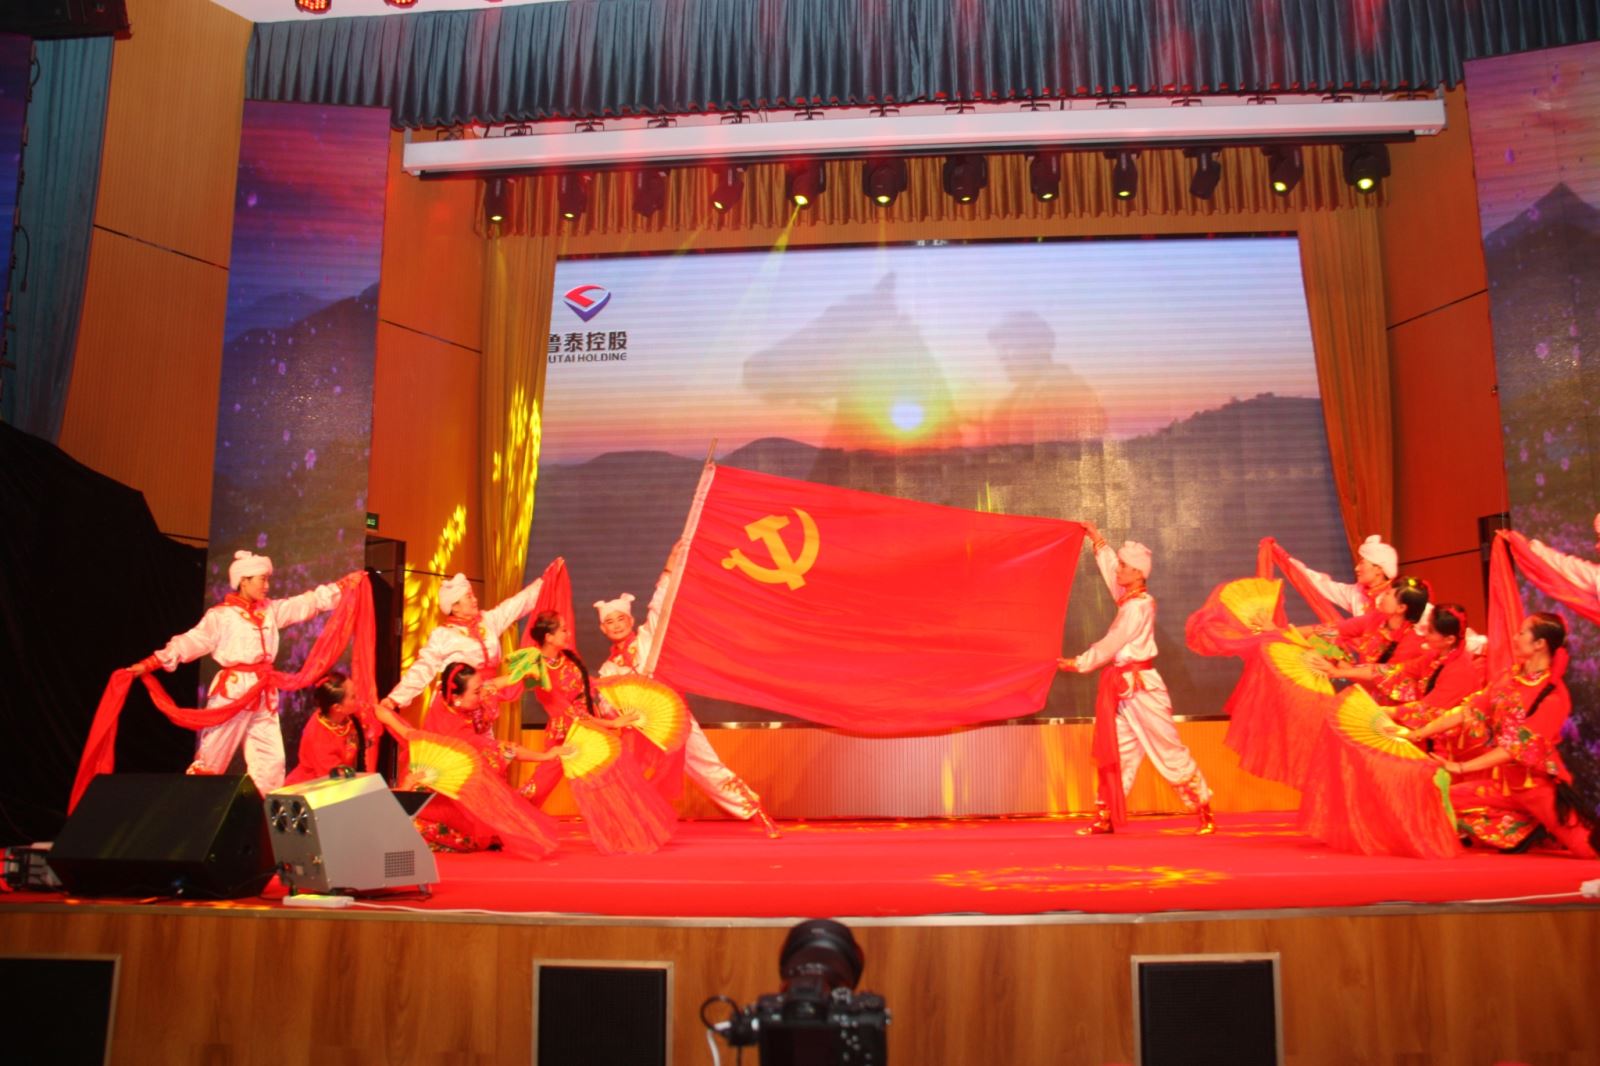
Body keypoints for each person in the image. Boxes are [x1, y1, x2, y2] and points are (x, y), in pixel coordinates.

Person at [593, 540, 781, 837]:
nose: (616, 625)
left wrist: (669, 567)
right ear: (603, 629)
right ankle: (638, 826)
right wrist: (619, 716)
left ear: (631, 620)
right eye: (609, 622)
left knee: (706, 765)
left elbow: (660, 604)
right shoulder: (608, 669)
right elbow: (606, 704)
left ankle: (754, 811)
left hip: (674, 718)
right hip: (641, 730)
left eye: (620, 619)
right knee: (633, 775)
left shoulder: (648, 637)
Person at [127, 550, 356, 793]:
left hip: (264, 692)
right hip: (233, 692)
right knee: (211, 759)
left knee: (271, 764)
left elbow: (305, 603)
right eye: (262, 579)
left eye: (267, 580)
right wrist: (152, 663)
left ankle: (261, 813)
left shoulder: (269, 611)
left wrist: (343, 587)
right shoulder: (221, 616)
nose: (267, 586)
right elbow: (189, 642)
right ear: (243, 581)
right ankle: (195, 807)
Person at [1058, 524, 1214, 835]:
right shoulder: (1129, 598)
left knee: (1168, 749)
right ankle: (1106, 815)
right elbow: (1110, 573)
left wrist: (1079, 662)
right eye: (1120, 564)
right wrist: (1097, 539)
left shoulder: (1138, 606)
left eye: (1124, 566)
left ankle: (1203, 809)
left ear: (1139, 573)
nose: (1118, 569)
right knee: (1119, 751)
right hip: (1125, 690)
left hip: (1143, 689)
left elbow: (1113, 642)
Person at [1406, 612, 1599, 858]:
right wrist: (1418, 733)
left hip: (1535, 788)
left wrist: (1461, 767)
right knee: (1441, 798)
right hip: (1504, 786)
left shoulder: (1553, 696)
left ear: (1540, 644)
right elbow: (1467, 711)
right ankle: (1523, 828)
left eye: (1522, 633)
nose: (1515, 637)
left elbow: (1513, 749)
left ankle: (1537, 825)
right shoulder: (1509, 679)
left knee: (1589, 851)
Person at [517, 611, 678, 854]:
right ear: (548, 637)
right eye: (563, 630)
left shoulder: (567, 659)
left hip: (588, 730)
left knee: (611, 778)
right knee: (540, 784)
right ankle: (511, 822)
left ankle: (629, 830)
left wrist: (627, 688)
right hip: (566, 736)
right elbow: (567, 711)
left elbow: (593, 686)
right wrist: (610, 724)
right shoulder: (535, 666)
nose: (568, 633)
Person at [376, 662, 568, 856]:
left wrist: (521, 676)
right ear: (458, 697)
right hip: (441, 795)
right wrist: (544, 756)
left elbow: (491, 685)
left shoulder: (450, 697)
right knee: (467, 831)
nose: (482, 693)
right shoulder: (455, 732)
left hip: (452, 777)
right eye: (476, 692)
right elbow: (505, 750)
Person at [379, 567, 551, 717]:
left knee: (482, 742)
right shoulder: (443, 635)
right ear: (455, 607)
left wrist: (545, 581)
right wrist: (395, 699)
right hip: (455, 704)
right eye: (469, 597)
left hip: (483, 698)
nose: (475, 600)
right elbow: (422, 668)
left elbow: (516, 605)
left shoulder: (488, 621)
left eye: (473, 595)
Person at [1262, 533, 1397, 618]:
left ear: (1379, 569)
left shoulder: (1396, 598)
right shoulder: (1356, 593)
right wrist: (1284, 558)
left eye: (1362, 563)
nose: (1356, 568)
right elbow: (1317, 582)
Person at [282, 672, 380, 786]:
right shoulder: (318, 737)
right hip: (315, 787)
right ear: (337, 707)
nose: (357, 700)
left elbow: (376, 712)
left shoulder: (350, 715)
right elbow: (334, 779)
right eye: (353, 697)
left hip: (344, 782)